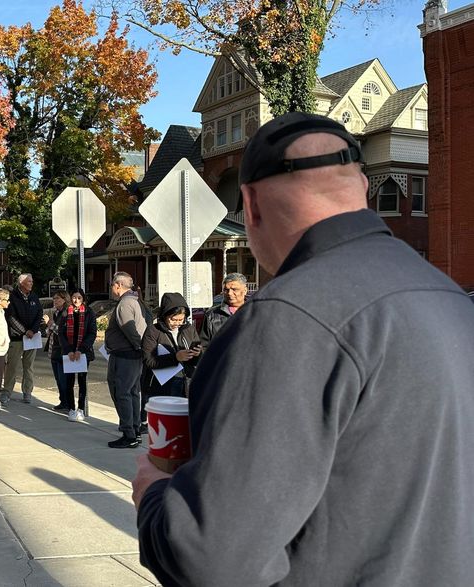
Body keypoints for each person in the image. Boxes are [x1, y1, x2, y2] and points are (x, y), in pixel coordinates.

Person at [134, 112, 474, 586]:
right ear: (361, 188)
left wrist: (154, 496)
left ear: (250, 205)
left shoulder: (286, 317)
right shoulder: (453, 300)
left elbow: (212, 558)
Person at [140, 292, 201, 431]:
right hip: (163, 385)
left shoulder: (188, 329)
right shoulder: (153, 331)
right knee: (168, 426)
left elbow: (197, 356)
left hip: (186, 382)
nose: (177, 324)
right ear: (165, 315)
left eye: (181, 320)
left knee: (186, 424)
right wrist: (175, 357)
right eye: (173, 319)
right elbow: (148, 360)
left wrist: (197, 353)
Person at [103, 271, 147, 448]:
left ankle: (129, 433)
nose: (112, 289)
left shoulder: (125, 304)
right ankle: (134, 431)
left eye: (112, 285)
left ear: (118, 285)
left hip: (125, 355)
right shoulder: (136, 301)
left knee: (121, 392)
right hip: (132, 354)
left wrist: (138, 347)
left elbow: (131, 331)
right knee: (132, 393)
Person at [2, 273, 42, 404]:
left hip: (32, 338)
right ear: (21, 283)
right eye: (29, 281)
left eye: (31, 281)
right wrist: (25, 331)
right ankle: (7, 392)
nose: (31, 283)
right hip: (17, 338)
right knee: (12, 366)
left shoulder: (34, 297)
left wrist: (33, 330)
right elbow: (11, 318)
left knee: (29, 366)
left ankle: (27, 392)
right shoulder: (13, 297)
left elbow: (39, 315)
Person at [58, 289, 97, 422]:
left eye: (79, 298)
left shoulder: (88, 312)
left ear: (83, 299)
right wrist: (68, 349)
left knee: (82, 381)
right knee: (69, 382)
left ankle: (80, 408)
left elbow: (92, 333)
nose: (76, 300)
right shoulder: (66, 312)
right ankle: (71, 408)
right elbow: (61, 333)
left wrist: (81, 349)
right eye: (74, 297)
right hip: (69, 352)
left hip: (83, 352)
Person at [198, 273, 248, 349]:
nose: (230, 293)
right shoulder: (211, 315)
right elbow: (203, 347)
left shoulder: (256, 312)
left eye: (234, 289)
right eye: (226, 290)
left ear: (245, 290)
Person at [44, 290, 71, 412]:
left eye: (58, 299)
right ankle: (62, 401)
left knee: (63, 378)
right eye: (54, 299)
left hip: (62, 350)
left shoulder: (66, 313)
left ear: (64, 299)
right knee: (58, 379)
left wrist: (50, 324)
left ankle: (67, 403)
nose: (55, 301)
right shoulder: (56, 313)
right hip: (54, 349)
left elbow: (63, 331)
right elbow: (51, 331)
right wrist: (48, 328)